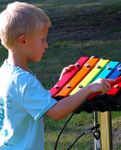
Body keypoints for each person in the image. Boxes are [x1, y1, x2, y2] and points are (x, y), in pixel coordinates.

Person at [0, 2, 112, 150]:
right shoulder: (23, 80)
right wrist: (89, 88)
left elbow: (33, 100)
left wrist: (61, 83)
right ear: (23, 40)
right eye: (42, 39)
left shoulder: (6, 72)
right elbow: (56, 112)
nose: (46, 45)